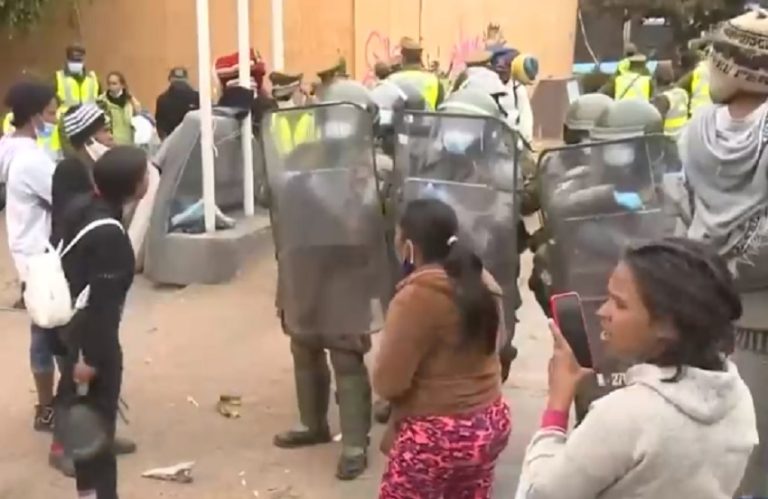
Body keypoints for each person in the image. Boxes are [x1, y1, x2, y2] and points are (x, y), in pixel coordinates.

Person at [517, 238, 757, 499]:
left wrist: (557, 405)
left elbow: (540, 493)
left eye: (619, 304)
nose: (601, 311)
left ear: (667, 325)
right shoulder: (739, 399)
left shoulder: (623, 416)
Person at [267, 80, 388, 481]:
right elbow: (277, 197)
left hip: (350, 267)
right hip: (304, 259)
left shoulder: (377, 162)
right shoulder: (302, 154)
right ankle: (312, 423)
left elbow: (384, 216)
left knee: (344, 350)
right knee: (303, 341)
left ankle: (355, 443)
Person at [680, 10, 768, 496]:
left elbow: (678, 204)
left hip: (704, 307)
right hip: (760, 316)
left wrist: (706, 270)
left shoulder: (696, 130)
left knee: (714, 443)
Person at [374, 198, 511, 498]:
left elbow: (389, 382)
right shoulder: (481, 279)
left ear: (410, 247)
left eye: (398, 237)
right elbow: (498, 343)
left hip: (437, 437)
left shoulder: (416, 297)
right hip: (490, 422)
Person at [54, 146, 148, 499]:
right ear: (135, 185)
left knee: (84, 430)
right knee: (98, 433)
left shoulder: (82, 209)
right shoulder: (111, 237)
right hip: (92, 345)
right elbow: (103, 306)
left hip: (69, 334)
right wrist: (90, 361)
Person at [0, 81, 60, 431]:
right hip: (42, 254)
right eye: (50, 113)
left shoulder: (9, 147)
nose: (53, 119)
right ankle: (51, 406)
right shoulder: (31, 160)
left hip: (24, 250)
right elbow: (62, 195)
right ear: (35, 116)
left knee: (42, 327)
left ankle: (48, 404)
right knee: (51, 330)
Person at [388, 37, 444, 110]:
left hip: (399, 121)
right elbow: (441, 110)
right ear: (420, 58)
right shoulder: (434, 80)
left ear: (403, 58)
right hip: (429, 121)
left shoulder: (392, 80)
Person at [155, 67, 200, 140]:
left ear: (170, 80)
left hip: (173, 143)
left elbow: (160, 126)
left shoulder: (162, 99)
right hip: (192, 142)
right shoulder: (197, 97)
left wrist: (165, 143)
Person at [98, 71, 141, 146]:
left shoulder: (129, 100)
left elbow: (138, 114)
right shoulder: (102, 101)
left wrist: (132, 99)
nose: (111, 86)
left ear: (122, 85)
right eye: (109, 84)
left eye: (114, 83)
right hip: (111, 144)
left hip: (128, 142)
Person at [55, 44, 100, 114]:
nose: (76, 63)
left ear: (84, 60)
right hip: (67, 121)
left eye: (79, 60)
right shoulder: (58, 78)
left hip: (89, 121)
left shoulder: (93, 78)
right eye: (73, 60)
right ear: (67, 59)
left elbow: (99, 101)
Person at [651, 61, 689, 140]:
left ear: (656, 79)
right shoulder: (682, 93)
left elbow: (655, 125)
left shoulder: (662, 99)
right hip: (683, 138)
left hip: (669, 141)